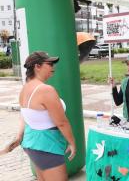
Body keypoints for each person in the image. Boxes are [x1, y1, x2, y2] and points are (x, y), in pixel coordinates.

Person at [6, 51, 76, 181]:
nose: (53, 67)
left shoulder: (25, 88)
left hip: (34, 144)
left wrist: (19, 136)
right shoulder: (45, 90)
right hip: (47, 145)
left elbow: (24, 115)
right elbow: (62, 122)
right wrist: (72, 143)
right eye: (49, 64)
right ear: (37, 66)